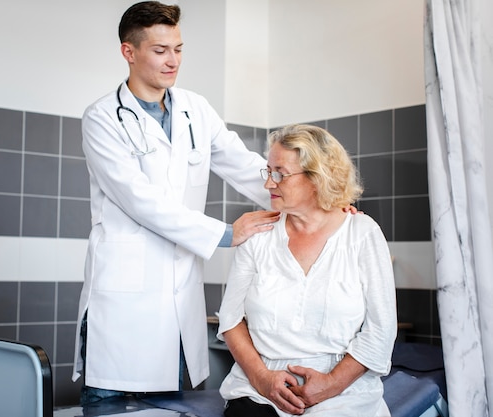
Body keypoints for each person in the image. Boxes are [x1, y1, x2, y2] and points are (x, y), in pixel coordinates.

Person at [72, 1, 281, 404]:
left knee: (177, 408)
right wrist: (226, 233)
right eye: (160, 50)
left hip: (180, 305)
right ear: (128, 52)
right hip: (122, 310)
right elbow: (141, 202)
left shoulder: (195, 110)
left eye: (179, 49)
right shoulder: (102, 118)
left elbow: (244, 165)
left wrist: (309, 198)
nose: (173, 61)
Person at [217, 124, 397, 417]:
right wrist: (263, 380)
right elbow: (231, 319)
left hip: (344, 394)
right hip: (259, 393)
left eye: (280, 174)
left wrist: (331, 384)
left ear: (318, 178)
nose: (268, 184)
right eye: (268, 171)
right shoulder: (258, 235)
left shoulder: (362, 233)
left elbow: (381, 329)